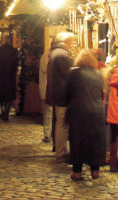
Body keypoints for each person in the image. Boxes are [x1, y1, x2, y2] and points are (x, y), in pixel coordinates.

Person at [65, 49, 106, 181]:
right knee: (95, 141)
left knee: (78, 141)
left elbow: (67, 92)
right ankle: (95, 171)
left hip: (79, 112)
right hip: (97, 111)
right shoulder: (99, 74)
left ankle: (77, 172)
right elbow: (101, 93)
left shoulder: (74, 73)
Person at [46, 31, 77, 162]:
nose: (73, 45)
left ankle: (60, 150)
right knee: (62, 124)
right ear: (66, 42)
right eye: (72, 42)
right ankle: (61, 152)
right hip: (63, 95)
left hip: (58, 94)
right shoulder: (61, 55)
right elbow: (69, 75)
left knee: (60, 123)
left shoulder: (55, 53)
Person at [0, 33, 19, 121]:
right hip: (10, 77)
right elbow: (16, 64)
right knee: (9, 96)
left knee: (0, 95)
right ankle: (6, 112)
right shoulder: (14, 51)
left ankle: (3, 111)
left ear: (3, 40)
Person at [38, 37, 55, 143]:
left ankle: (49, 134)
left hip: (49, 88)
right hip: (48, 88)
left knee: (49, 113)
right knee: (48, 112)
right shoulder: (47, 56)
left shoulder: (50, 55)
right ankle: (48, 134)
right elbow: (45, 68)